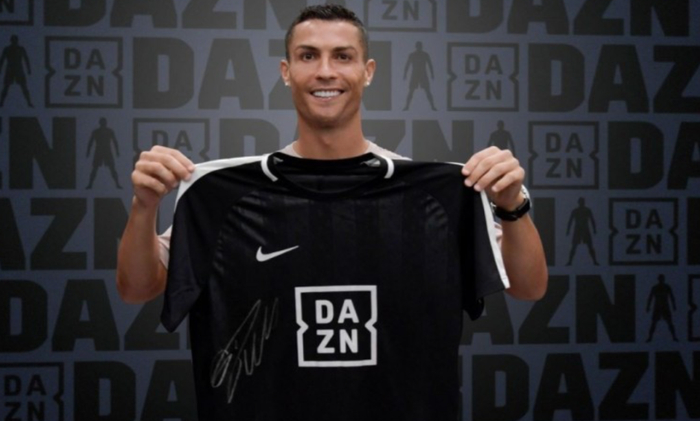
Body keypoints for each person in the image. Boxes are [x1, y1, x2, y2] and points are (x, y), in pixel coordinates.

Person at [117, 4, 547, 418]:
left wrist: (513, 206)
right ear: (286, 71)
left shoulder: (437, 195)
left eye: (343, 56)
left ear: (368, 71)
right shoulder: (219, 195)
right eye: (308, 56)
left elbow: (529, 287)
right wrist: (143, 207)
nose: (325, 71)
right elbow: (137, 288)